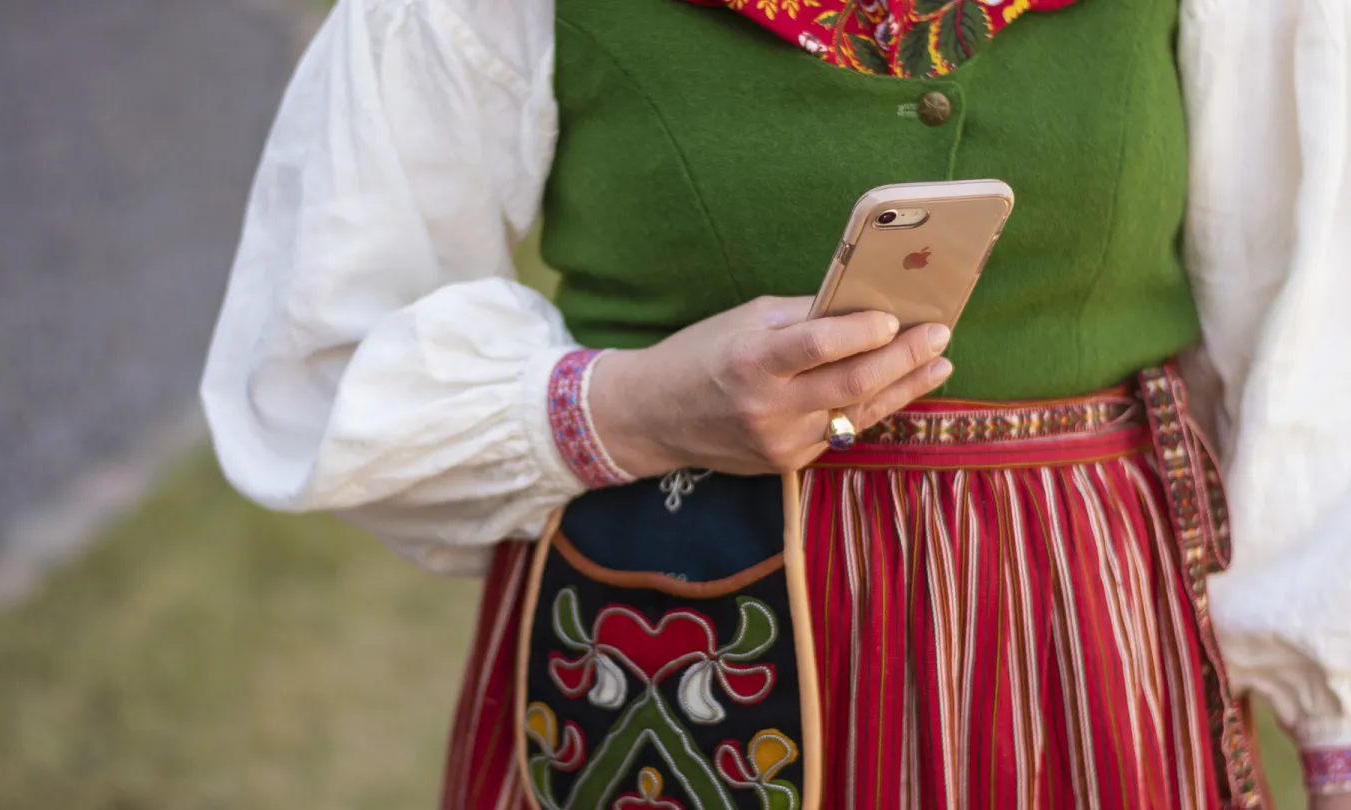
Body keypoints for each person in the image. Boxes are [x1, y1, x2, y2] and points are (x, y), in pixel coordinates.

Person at [200, 0, 1351, 806]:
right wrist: (633, 409)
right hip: (674, 648)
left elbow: (1309, 316)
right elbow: (320, 359)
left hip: (1080, 646)